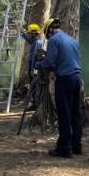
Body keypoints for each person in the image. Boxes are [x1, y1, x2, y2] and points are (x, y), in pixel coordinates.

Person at [36, 17, 84, 158]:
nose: (47, 35)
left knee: (64, 113)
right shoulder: (72, 40)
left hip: (65, 79)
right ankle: (77, 145)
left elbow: (50, 60)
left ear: (50, 29)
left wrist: (38, 65)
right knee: (76, 112)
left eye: (47, 33)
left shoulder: (54, 40)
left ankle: (64, 148)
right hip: (77, 78)